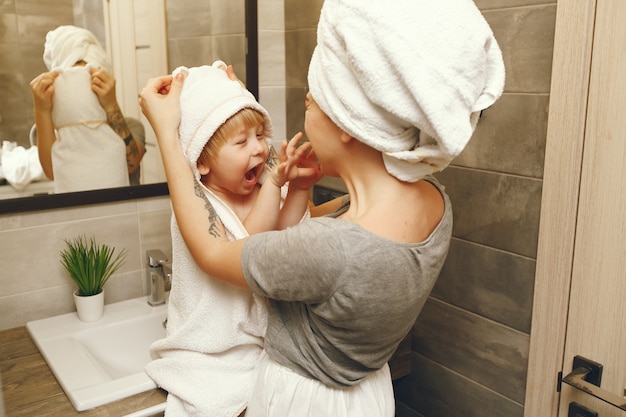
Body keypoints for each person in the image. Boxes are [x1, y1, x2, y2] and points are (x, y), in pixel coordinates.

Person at [140, 0, 505, 415]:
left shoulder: (326, 249)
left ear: (348, 125)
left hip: (300, 402)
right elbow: (324, 232)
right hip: (370, 396)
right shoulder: (435, 200)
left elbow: (212, 253)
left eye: (313, 101)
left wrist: (170, 135)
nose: (305, 107)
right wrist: (224, 108)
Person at [144, 62, 322, 417]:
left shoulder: (258, 188)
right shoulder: (200, 207)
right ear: (202, 162)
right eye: (241, 142)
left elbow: (282, 236)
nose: (257, 149)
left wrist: (299, 188)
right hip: (213, 352)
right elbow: (248, 250)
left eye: (260, 135)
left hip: (262, 346)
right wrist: (274, 183)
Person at [29, 25, 145, 192]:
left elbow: (131, 163)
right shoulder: (46, 132)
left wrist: (111, 105)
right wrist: (41, 110)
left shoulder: (132, 126)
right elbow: (52, 171)